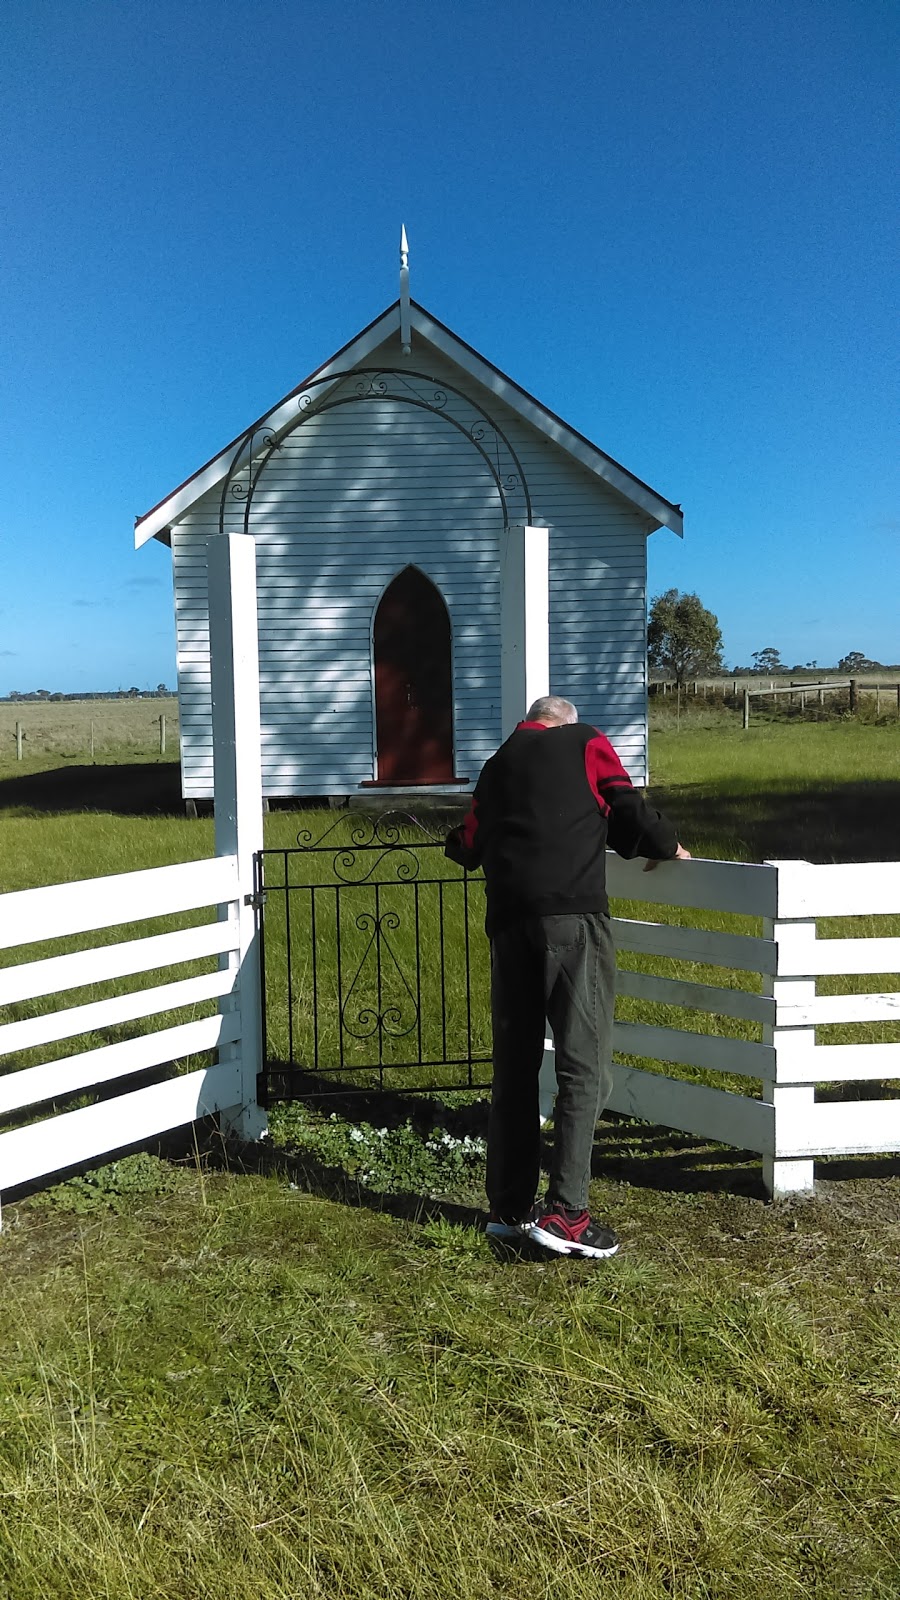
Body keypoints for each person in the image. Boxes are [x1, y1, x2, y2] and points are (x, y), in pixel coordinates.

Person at [445, 695, 689, 1259]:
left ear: (529, 721)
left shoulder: (499, 760)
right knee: (584, 1063)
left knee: (515, 1063)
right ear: (566, 721)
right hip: (572, 920)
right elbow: (626, 808)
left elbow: (470, 843)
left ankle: (508, 1210)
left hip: (509, 925)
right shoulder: (587, 742)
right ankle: (568, 1215)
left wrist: (456, 842)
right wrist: (666, 844)